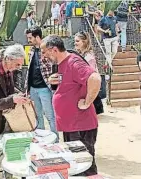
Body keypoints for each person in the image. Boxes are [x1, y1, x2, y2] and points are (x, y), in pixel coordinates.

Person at [41, 35, 101, 176]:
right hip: (72, 125)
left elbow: (95, 78)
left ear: (54, 50)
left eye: (45, 52)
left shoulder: (74, 62)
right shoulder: (61, 63)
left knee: (85, 166)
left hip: (81, 125)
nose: (43, 57)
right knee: (76, 164)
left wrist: (87, 102)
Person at [0, 44, 30, 138]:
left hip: (8, 121)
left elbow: (8, 90)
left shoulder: (9, 71)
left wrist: (20, 94)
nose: (19, 67)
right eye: (17, 64)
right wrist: (13, 100)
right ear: (8, 59)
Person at [25, 26, 58, 138]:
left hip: (45, 87)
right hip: (33, 88)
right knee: (37, 116)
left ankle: (55, 139)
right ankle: (41, 140)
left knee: (50, 115)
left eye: (30, 38)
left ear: (37, 37)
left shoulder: (47, 50)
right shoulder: (32, 50)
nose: (28, 40)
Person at [74, 31, 104, 115]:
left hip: (88, 87)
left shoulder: (88, 57)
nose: (75, 43)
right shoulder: (80, 55)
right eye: (75, 41)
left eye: (77, 41)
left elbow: (91, 75)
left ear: (84, 42)